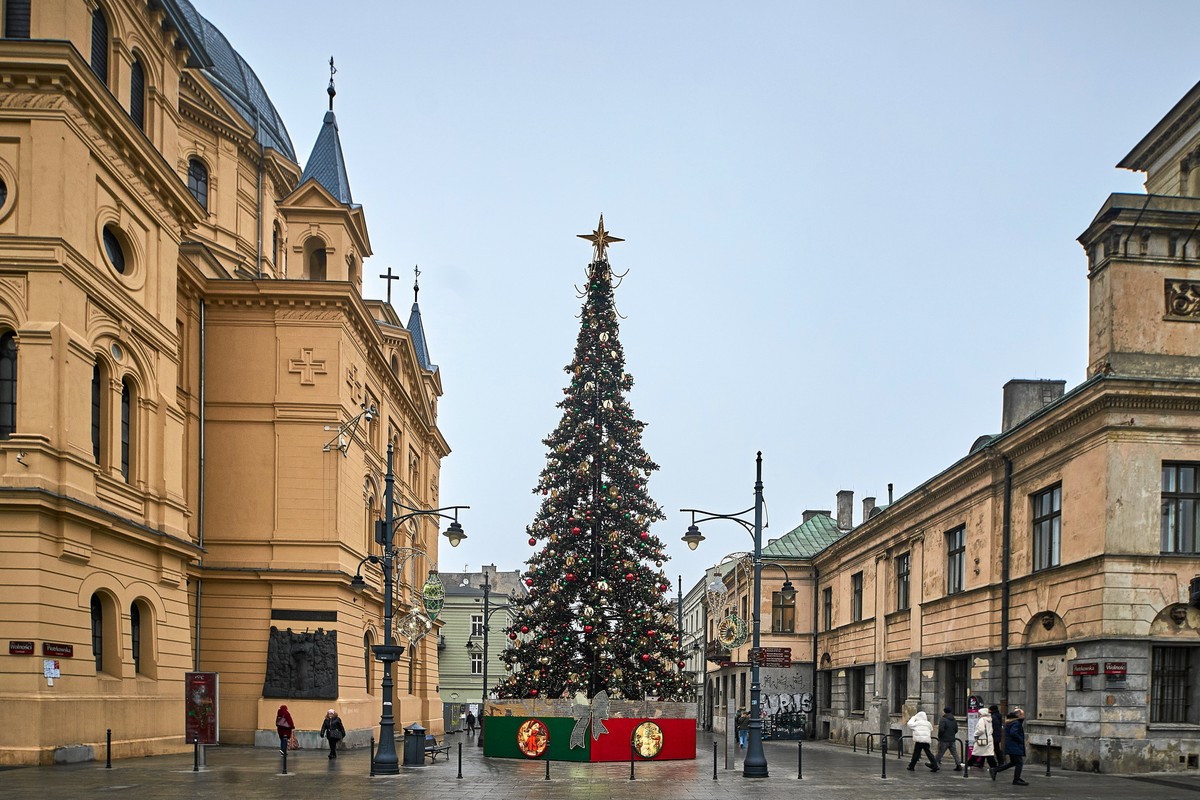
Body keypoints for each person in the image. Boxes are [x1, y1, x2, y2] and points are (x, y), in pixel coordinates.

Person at [992, 708, 1028, 785]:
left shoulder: (1011, 722)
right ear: (1019, 715)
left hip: (1012, 745)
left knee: (1013, 762)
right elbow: (1013, 733)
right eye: (1022, 714)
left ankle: (995, 770)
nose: (1023, 716)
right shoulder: (1016, 723)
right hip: (1014, 746)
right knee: (1019, 762)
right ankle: (1016, 779)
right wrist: (1020, 739)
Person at [935, 706, 962, 770]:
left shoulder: (943, 719)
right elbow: (956, 729)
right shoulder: (954, 719)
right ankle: (958, 764)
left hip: (944, 739)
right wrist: (952, 734)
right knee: (954, 753)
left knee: (940, 752)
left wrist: (940, 736)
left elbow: (941, 729)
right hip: (952, 739)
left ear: (944, 711)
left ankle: (934, 764)